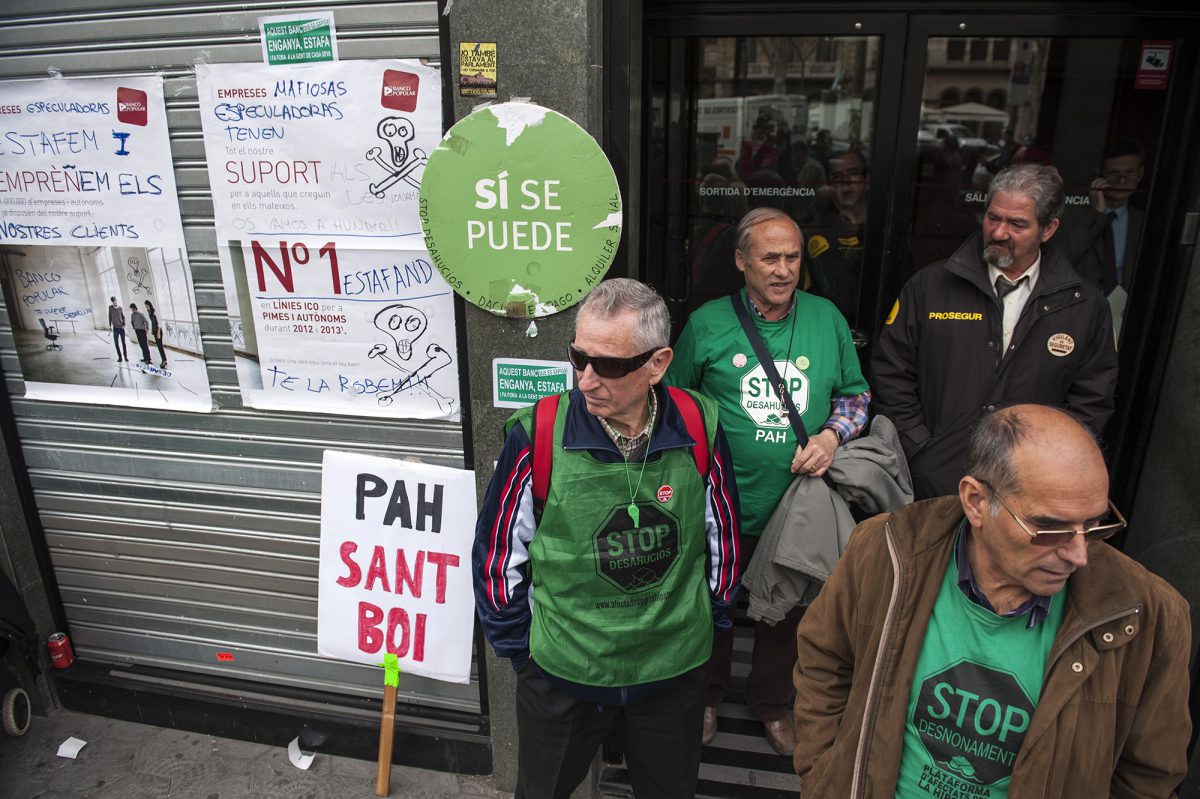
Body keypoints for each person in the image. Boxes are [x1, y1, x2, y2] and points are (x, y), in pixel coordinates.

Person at [792, 404, 1191, 798]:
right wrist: (823, 776)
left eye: (1093, 525)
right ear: (977, 502)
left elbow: (1148, 777)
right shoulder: (886, 551)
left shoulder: (1149, 616)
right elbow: (825, 662)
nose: (1078, 554)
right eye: (1050, 528)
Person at [473, 278, 741, 799]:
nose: (587, 380)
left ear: (658, 364)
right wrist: (525, 656)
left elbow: (723, 538)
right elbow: (497, 557)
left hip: (672, 669)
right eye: (579, 358)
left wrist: (710, 619)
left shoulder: (698, 425)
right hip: (564, 674)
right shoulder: (540, 433)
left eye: (610, 365)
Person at [667, 207, 870, 756]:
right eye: (769, 257)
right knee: (713, 606)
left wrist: (831, 437)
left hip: (797, 507)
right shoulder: (709, 323)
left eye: (793, 257)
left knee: (789, 614)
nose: (783, 269)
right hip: (722, 503)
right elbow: (672, 403)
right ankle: (706, 696)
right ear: (741, 261)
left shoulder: (826, 317)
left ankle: (772, 704)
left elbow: (855, 395)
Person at [872, 162, 1118, 500]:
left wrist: (1049, 466)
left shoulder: (1084, 306)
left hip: (1024, 489)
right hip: (932, 482)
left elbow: (1091, 402)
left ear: (1048, 229)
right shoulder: (930, 286)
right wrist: (921, 447)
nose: (999, 232)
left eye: (1017, 224)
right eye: (993, 218)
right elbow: (891, 371)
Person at [1064, 139, 1146, 340]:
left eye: (1130, 174)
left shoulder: (1143, 222)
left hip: (1121, 318)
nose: (1121, 181)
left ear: (1141, 175)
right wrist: (1096, 215)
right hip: (1076, 315)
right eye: (1113, 174)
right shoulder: (1074, 217)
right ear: (1099, 176)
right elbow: (1062, 260)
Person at [805, 149, 869, 323]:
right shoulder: (819, 235)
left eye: (853, 173)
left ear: (867, 179)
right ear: (829, 186)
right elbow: (838, 298)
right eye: (837, 176)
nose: (845, 182)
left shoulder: (885, 229)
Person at [145, 300, 167, 367]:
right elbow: (152, 322)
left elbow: (159, 323)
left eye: (147, 306)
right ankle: (164, 360)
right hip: (154, 331)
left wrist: (158, 333)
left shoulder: (155, 312)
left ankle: (164, 361)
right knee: (159, 346)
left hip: (158, 331)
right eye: (145, 306)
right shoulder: (149, 312)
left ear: (150, 305)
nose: (146, 307)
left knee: (160, 346)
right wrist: (152, 330)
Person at [108, 296, 128, 362]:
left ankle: (125, 357)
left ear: (116, 300)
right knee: (116, 343)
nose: (114, 302)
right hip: (115, 328)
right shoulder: (110, 308)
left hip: (121, 328)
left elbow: (123, 317)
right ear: (112, 302)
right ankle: (120, 357)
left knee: (123, 343)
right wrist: (110, 326)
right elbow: (109, 317)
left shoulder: (120, 308)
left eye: (115, 301)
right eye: (113, 301)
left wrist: (124, 324)